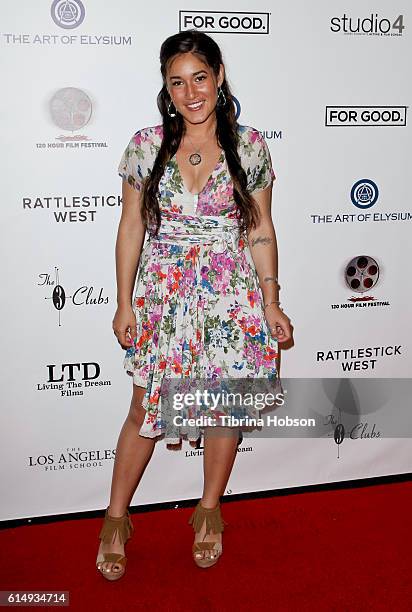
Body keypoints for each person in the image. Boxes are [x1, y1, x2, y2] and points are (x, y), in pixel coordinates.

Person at [96, 29, 292, 580]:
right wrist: (123, 302)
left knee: (221, 406)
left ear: (219, 76)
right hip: (164, 293)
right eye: (177, 82)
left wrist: (271, 300)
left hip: (230, 294)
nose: (191, 92)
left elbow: (261, 228)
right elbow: (131, 224)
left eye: (200, 78)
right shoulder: (146, 144)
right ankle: (115, 517)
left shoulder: (250, 145)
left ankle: (209, 510)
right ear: (166, 88)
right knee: (144, 408)